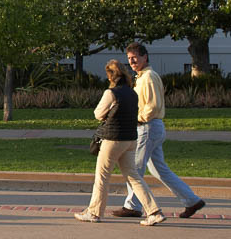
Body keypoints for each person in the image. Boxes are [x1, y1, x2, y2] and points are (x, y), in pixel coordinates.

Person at [113, 42, 206, 219]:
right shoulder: (143, 76)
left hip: (147, 127)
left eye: (135, 58)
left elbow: (152, 106)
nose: (132, 62)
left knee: (133, 168)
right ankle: (192, 200)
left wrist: (138, 119)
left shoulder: (148, 77)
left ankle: (132, 206)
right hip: (153, 128)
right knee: (160, 170)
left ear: (145, 57)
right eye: (129, 59)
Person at [74, 60, 165, 225]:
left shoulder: (111, 93)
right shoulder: (132, 93)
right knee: (134, 176)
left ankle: (94, 213)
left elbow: (98, 113)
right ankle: (154, 211)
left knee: (102, 176)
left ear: (110, 76)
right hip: (130, 139)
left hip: (113, 139)